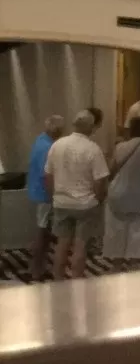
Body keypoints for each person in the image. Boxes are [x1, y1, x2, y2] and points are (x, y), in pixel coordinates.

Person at [45, 110, 109, 280]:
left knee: (62, 245)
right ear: (91, 128)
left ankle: (58, 282)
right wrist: (98, 199)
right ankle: (77, 282)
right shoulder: (93, 149)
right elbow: (100, 181)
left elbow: (48, 175)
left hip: (61, 202)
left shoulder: (57, 145)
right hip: (85, 204)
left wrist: (53, 196)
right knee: (80, 246)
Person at [104, 116, 140, 270]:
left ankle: (116, 267)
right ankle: (134, 268)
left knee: (116, 231)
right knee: (139, 233)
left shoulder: (120, 147)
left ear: (129, 130)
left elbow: (111, 170)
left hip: (119, 194)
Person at [25, 115, 65, 282]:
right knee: (42, 233)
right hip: (44, 195)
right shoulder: (48, 147)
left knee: (44, 232)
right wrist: (54, 197)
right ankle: (36, 270)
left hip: (37, 192)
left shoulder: (40, 140)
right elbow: (46, 175)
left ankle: (38, 268)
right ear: (56, 130)